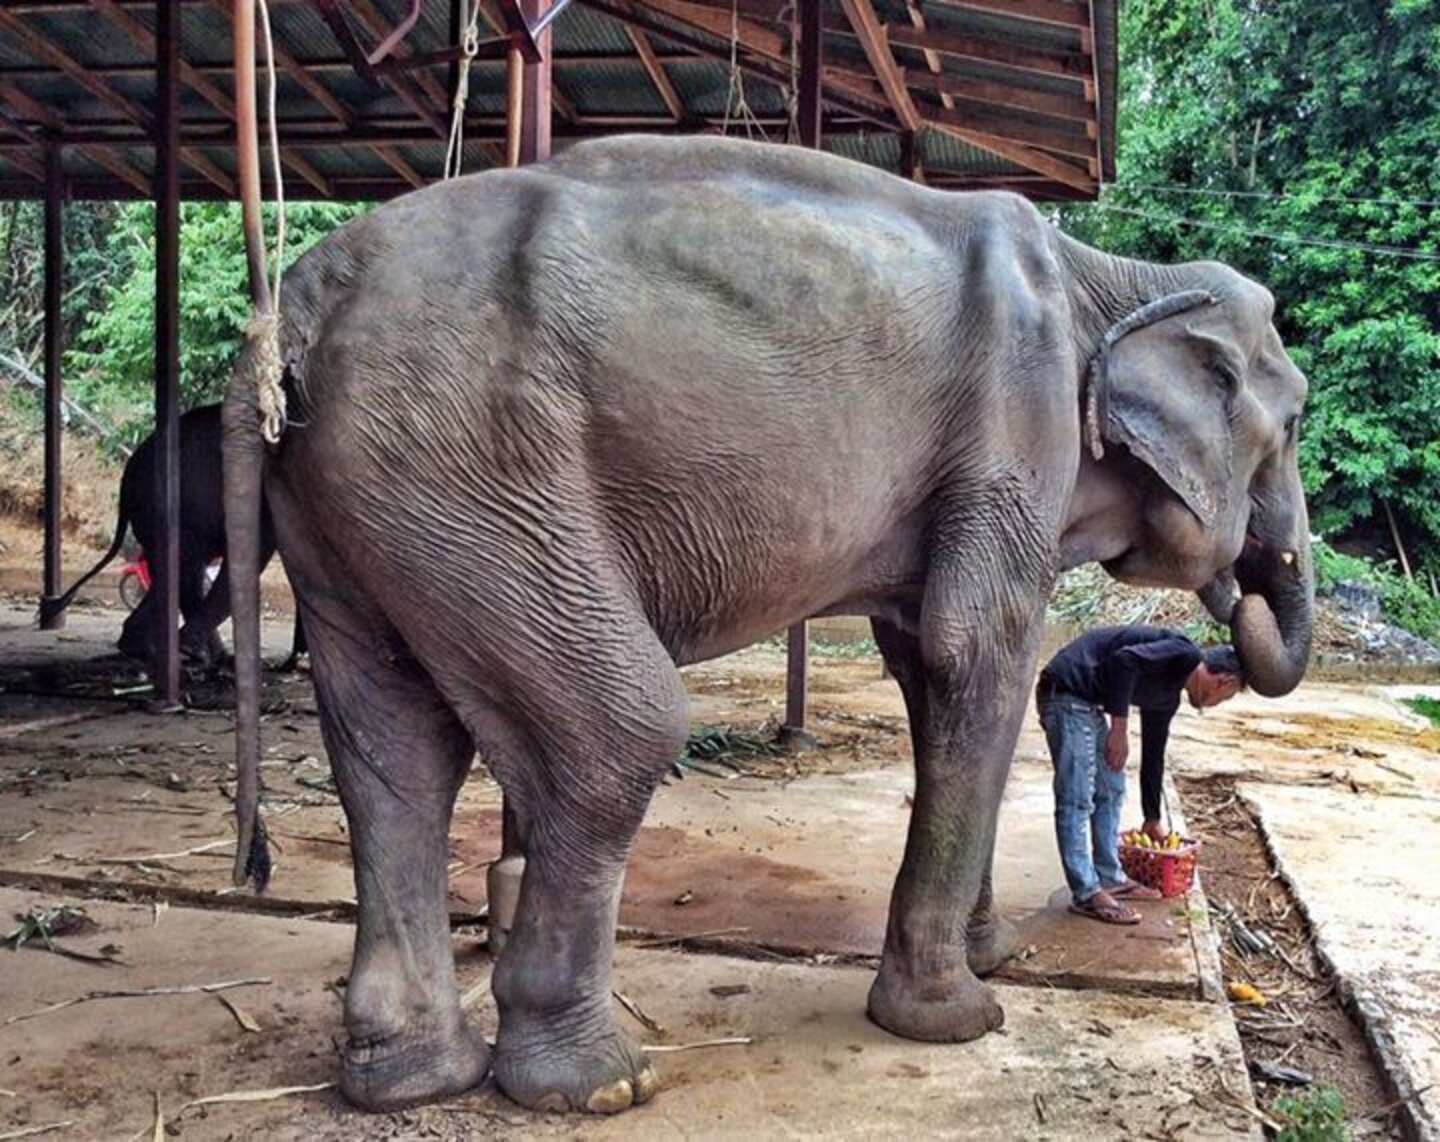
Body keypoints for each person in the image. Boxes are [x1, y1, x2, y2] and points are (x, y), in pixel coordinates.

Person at [1036, 626, 1245, 925]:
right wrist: (1119, 730)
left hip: (1086, 704)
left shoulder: (1168, 697)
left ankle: (1108, 876)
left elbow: (1154, 754)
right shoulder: (1185, 653)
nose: (1215, 705)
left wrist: (1152, 817)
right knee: (1077, 797)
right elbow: (1124, 661)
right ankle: (1086, 893)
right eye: (1224, 698)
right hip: (1065, 692)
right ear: (1224, 681)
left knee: (1111, 788)